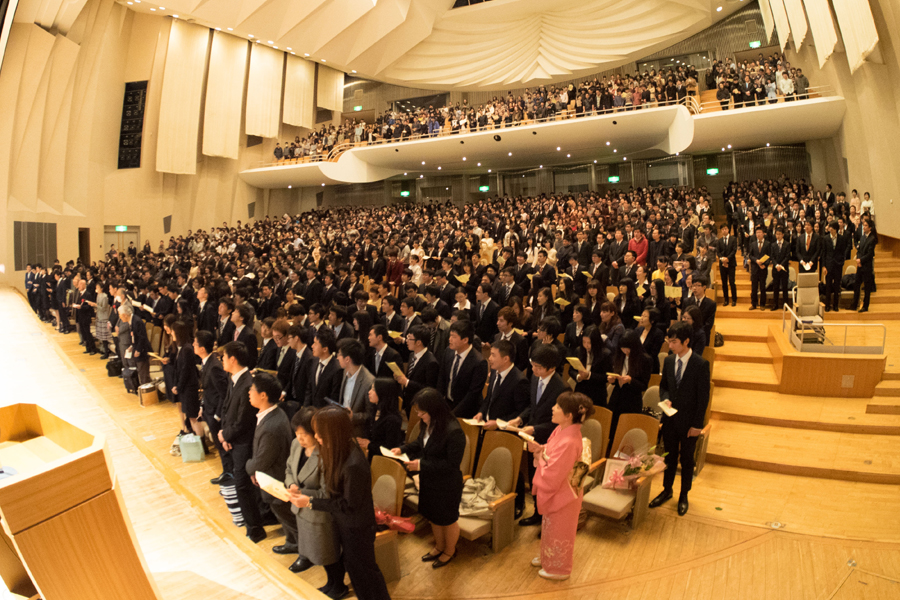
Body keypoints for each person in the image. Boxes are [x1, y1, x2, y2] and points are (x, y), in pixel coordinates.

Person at [289, 406, 392, 600]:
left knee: (365, 574)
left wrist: (310, 502)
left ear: (333, 432)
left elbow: (347, 504)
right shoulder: (338, 449)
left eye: (320, 432)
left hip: (357, 526)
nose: (317, 436)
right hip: (347, 523)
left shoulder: (353, 464)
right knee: (357, 572)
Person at [393, 388, 465, 568]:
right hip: (429, 480)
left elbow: (451, 465)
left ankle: (450, 550)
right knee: (433, 516)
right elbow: (421, 442)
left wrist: (420, 465)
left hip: (446, 483)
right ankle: (439, 546)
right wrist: (403, 449)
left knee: (447, 519)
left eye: (421, 412)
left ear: (434, 410)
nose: (418, 415)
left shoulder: (453, 430)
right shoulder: (427, 423)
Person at [527, 392, 594, 580]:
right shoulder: (562, 430)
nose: (552, 408)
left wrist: (540, 456)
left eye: (557, 406)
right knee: (550, 528)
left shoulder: (570, 441)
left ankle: (559, 569)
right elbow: (550, 451)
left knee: (560, 531)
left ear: (569, 415)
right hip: (560, 490)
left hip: (565, 493)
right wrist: (540, 449)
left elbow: (553, 472)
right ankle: (547, 558)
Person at [650, 322, 711, 517]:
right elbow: (664, 387)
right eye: (669, 341)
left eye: (674, 342)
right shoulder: (668, 361)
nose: (670, 345)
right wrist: (665, 398)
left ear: (686, 341)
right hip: (669, 420)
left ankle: (684, 494)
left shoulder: (700, 364)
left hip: (688, 423)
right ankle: (667, 490)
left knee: (686, 460)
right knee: (669, 456)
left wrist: (697, 425)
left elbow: (703, 399)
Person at [285, 408, 342, 589]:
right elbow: (288, 469)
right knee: (311, 548)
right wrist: (291, 485)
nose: (299, 438)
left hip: (320, 514)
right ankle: (330, 583)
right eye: (296, 433)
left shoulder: (326, 453)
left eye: (304, 434)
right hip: (301, 509)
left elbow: (327, 493)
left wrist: (302, 493)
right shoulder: (296, 445)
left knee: (328, 555)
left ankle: (337, 586)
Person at [246, 373, 297, 557]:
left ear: (263, 395)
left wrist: (249, 467)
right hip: (271, 476)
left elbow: (263, 459)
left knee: (286, 515)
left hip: (275, 479)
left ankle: (302, 550)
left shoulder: (272, 426)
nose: (249, 392)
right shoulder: (272, 413)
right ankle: (292, 542)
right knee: (283, 516)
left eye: (252, 389)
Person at [219, 341, 265, 543]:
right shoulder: (234, 379)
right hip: (233, 439)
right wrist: (223, 433)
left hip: (244, 443)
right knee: (243, 486)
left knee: (243, 486)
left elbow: (243, 421)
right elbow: (227, 408)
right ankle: (253, 522)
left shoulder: (248, 384)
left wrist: (226, 435)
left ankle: (255, 529)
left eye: (223, 356)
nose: (221, 360)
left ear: (233, 359)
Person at [195, 330, 232, 485]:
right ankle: (227, 472)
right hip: (209, 409)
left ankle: (229, 474)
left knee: (222, 446)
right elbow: (208, 390)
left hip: (216, 414)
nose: (193, 346)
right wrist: (203, 407)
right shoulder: (207, 363)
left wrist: (217, 415)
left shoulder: (215, 366)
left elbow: (223, 394)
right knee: (218, 444)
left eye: (195, 344)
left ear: (203, 348)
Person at [606, 329, 651, 448]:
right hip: (616, 399)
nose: (625, 351)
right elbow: (617, 377)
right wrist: (613, 380)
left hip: (632, 401)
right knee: (612, 432)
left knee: (627, 434)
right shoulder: (619, 356)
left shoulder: (645, 359)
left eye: (628, 348)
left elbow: (644, 385)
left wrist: (631, 380)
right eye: (622, 348)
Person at [436, 320, 489, 418]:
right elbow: (441, 379)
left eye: (454, 336)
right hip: (447, 405)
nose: (450, 339)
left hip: (467, 411)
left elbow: (472, 394)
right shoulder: (448, 351)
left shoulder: (479, 362)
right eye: (450, 335)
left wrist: (453, 414)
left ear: (465, 340)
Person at [473, 339, 529, 426]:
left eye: (493, 355)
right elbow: (489, 398)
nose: (489, 358)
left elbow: (520, 412)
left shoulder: (519, 381)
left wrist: (498, 423)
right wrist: (481, 412)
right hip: (486, 424)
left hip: (503, 432)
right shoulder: (494, 371)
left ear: (506, 359)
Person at [172, 320, 204, 446]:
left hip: (189, 388)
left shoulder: (187, 349)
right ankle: (198, 444)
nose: (172, 333)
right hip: (186, 388)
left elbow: (185, 371)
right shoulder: (182, 348)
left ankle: (201, 445)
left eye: (173, 331)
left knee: (193, 417)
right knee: (190, 417)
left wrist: (178, 387)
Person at [361, 378, 403, 460]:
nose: (369, 392)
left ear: (382, 393)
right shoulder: (375, 410)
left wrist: (369, 445)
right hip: (372, 456)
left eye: (373, 389)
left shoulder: (392, 420)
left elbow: (389, 448)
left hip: (384, 461)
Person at [573, 327, 612, 407]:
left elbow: (606, 377)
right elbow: (571, 370)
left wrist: (589, 375)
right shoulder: (579, 351)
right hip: (580, 391)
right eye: (584, 342)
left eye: (589, 343)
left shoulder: (605, 354)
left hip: (597, 394)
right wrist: (578, 377)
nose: (586, 345)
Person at [852, 218, 877, 313]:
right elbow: (859, 250)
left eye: (866, 225)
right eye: (863, 225)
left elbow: (870, 254)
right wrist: (858, 259)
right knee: (857, 284)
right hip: (860, 265)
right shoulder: (862, 237)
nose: (864, 227)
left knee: (866, 287)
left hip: (866, 266)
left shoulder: (872, 239)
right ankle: (854, 304)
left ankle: (865, 306)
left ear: (870, 228)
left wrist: (861, 260)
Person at [823, 222, 848, 312]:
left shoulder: (841, 239)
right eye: (830, 228)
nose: (830, 229)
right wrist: (824, 266)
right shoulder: (825, 238)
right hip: (829, 265)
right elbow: (824, 253)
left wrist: (841, 262)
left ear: (836, 229)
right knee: (828, 286)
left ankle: (836, 305)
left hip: (838, 265)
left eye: (832, 228)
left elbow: (843, 251)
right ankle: (827, 305)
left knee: (837, 286)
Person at [716, 223, 737, 306]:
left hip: (731, 263)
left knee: (732, 282)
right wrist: (722, 259)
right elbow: (718, 252)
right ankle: (726, 299)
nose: (724, 230)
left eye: (725, 229)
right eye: (722, 229)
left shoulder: (733, 239)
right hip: (722, 264)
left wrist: (727, 259)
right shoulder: (719, 241)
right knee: (724, 282)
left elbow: (734, 250)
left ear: (728, 230)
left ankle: (734, 299)